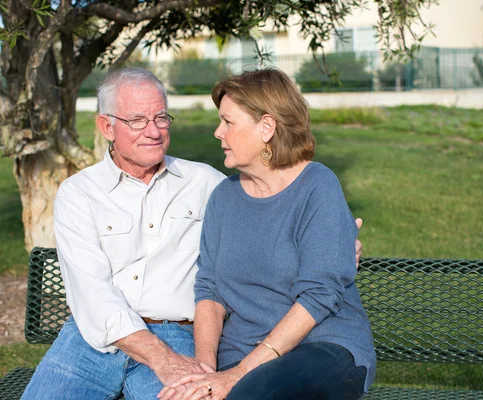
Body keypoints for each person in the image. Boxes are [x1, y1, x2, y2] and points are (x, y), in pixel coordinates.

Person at [21, 67, 363, 400]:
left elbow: (302, 238)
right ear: (106, 126)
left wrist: (338, 248)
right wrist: (170, 360)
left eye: (161, 118)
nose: (153, 131)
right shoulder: (79, 193)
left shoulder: (207, 184)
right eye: (138, 120)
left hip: (179, 335)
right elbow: (93, 295)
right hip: (94, 341)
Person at [159, 68, 376, 400]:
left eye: (228, 122)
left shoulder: (317, 186)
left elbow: (318, 296)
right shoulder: (224, 198)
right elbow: (210, 291)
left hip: (320, 348)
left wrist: (237, 375)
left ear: (266, 127)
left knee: (254, 394)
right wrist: (203, 372)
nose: (218, 132)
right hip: (241, 356)